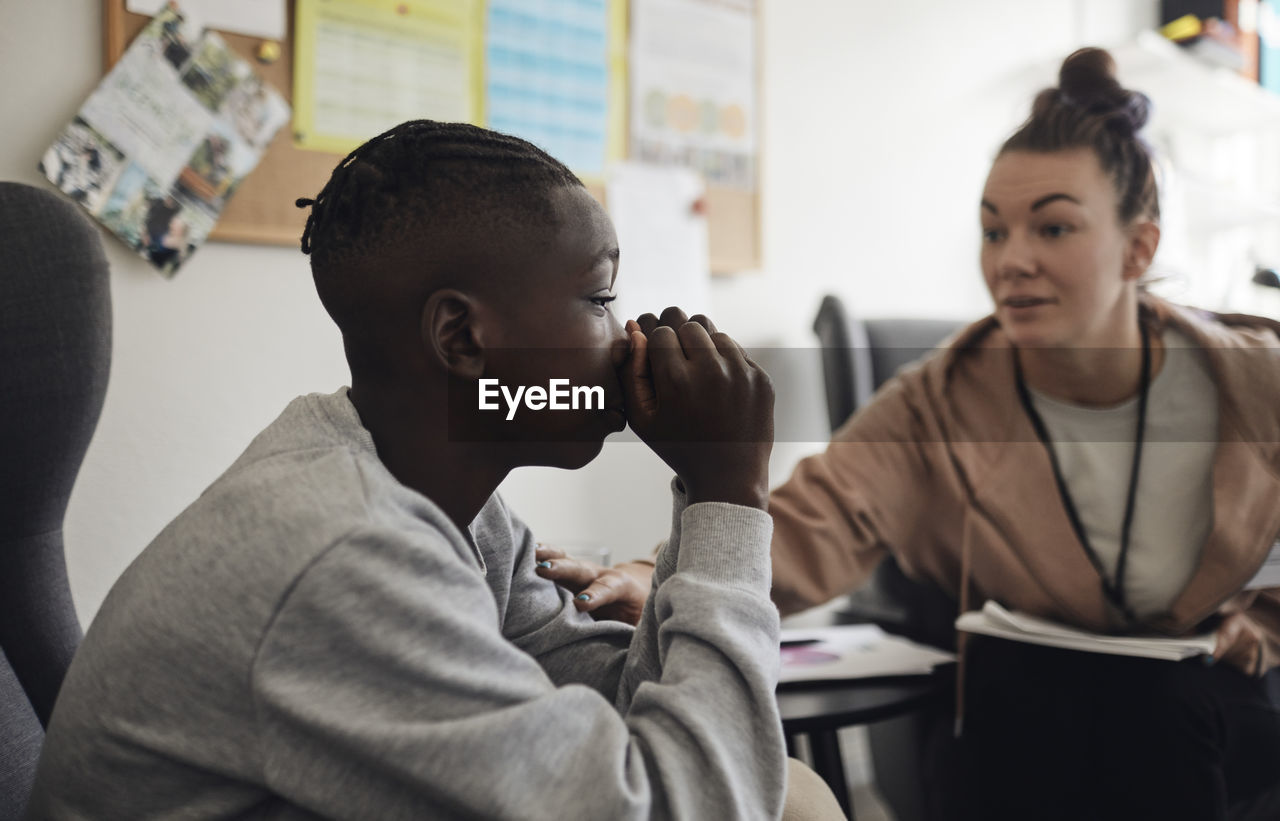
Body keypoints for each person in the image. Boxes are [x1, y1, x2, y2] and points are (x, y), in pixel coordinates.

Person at [538, 48, 1280, 820]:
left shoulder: (1253, 380)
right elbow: (816, 515)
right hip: (1036, 691)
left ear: (1139, 248)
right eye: (993, 232)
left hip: (1207, 689)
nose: (1012, 260)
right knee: (1020, 709)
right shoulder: (944, 395)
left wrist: (1258, 627)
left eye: (1053, 227)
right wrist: (657, 574)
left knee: (1156, 715)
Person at [26, 121, 840, 819]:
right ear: (461, 338)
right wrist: (732, 496)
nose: (628, 337)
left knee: (792, 795)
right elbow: (689, 802)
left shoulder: (453, 515)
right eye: (599, 300)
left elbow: (619, 718)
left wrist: (707, 497)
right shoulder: (344, 553)